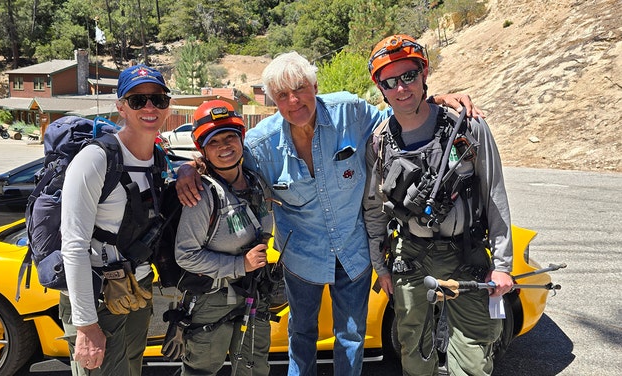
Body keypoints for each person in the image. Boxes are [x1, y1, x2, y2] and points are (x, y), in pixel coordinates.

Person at [175, 51, 480, 376]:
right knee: (301, 335)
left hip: (354, 254)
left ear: (315, 85)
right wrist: (188, 168)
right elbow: (223, 161)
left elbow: (399, 121)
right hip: (301, 259)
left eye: (299, 88)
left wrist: (432, 102)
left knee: (351, 337)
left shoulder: (350, 112)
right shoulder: (261, 145)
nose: (293, 101)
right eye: (282, 95)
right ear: (272, 101)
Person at [363, 34, 514, 376]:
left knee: (475, 358)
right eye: (390, 82)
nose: (401, 89)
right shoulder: (378, 142)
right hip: (410, 255)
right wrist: (380, 267)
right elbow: (373, 210)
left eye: (409, 76)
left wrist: (502, 264)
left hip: (467, 253)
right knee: (413, 352)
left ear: (424, 73)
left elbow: (495, 196)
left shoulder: (469, 126)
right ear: (380, 89)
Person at [59, 64, 171, 376]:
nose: (149, 107)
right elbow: (73, 245)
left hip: (137, 288)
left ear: (167, 106)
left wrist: (190, 169)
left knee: (132, 370)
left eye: (158, 99)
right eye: (137, 100)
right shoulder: (95, 160)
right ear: (120, 107)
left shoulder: (158, 160)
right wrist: (86, 325)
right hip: (97, 297)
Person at [174, 100, 275, 376]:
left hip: (254, 294)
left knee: (253, 369)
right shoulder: (201, 194)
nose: (224, 146)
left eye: (230, 136)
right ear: (202, 150)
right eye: (213, 141)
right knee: (202, 371)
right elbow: (185, 254)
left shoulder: (257, 182)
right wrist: (240, 264)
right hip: (213, 300)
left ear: (241, 138)